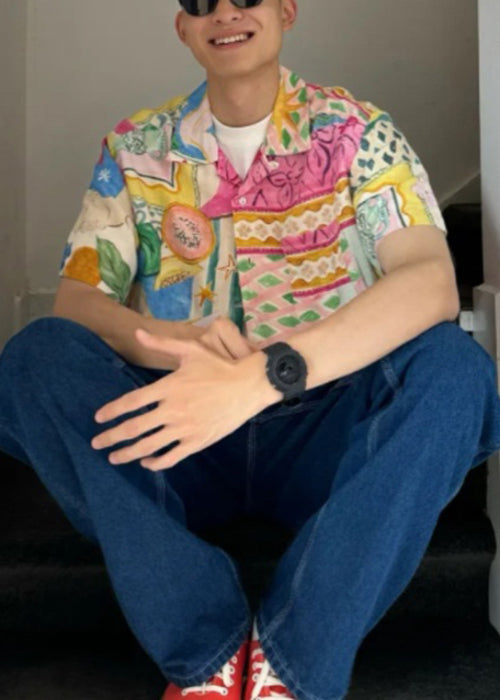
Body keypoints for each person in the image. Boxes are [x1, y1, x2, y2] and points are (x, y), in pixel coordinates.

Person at [1, 1, 499, 699]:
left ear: (286, 10)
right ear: (183, 26)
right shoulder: (135, 147)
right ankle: (205, 650)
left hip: (324, 432)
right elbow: (79, 302)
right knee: (37, 357)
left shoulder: (357, 130)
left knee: (455, 370)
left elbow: (431, 282)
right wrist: (179, 343)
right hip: (180, 434)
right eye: (202, 1)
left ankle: (289, 668)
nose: (225, 13)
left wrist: (268, 374)